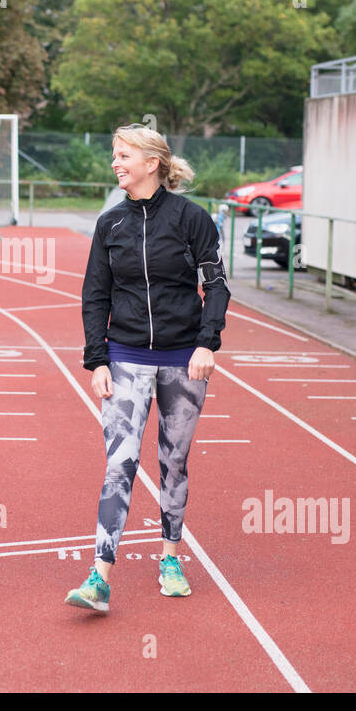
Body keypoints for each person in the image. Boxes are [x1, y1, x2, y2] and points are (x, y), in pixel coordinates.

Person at [66, 124, 231, 612]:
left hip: (184, 359)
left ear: (151, 162)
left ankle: (171, 558)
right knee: (120, 463)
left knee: (173, 461)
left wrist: (207, 343)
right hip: (126, 356)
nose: (115, 163)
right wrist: (96, 357)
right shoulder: (110, 224)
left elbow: (216, 284)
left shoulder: (192, 218)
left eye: (123, 156)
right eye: (114, 156)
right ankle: (100, 576)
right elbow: (94, 294)